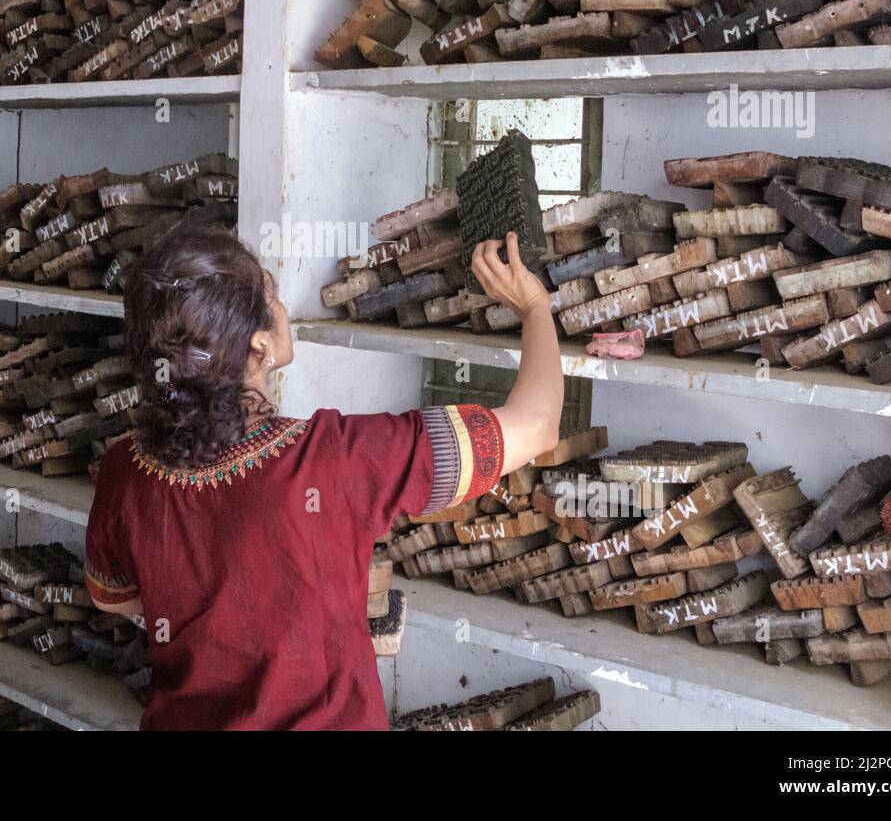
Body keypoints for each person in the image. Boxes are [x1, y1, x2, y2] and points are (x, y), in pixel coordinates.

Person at [84, 219, 564, 730]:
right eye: (273, 298)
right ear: (259, 347)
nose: (285, 309)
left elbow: (114, 597)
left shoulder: (124, 469)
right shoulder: (338, 460)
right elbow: (537, 427)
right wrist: (534, 309)